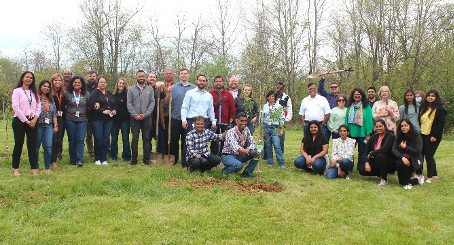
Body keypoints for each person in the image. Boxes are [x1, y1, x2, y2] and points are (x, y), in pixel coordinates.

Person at [11, 71, 41, 176]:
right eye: (27, 77)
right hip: (20, 121)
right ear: (22, 78)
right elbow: (15, 107)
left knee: (32, 145)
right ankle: (15, 168)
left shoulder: (34, 92)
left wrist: (35, 119)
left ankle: (33, 168)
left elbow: (38, 107)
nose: (29, 79)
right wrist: (26, 120)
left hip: (33, 121)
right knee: (19, 144)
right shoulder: (17, 91)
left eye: (31, 78)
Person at [165, 68, 196, 167]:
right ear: (179, 76)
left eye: (185, 73)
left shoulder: (193, 88)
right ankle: (174, 158)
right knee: (174, 139)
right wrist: (169, 92)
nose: (183, 75)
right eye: (181, 74)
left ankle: (185, 158)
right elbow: (166, 102)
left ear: (188, 75)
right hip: (176, 117)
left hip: (188, 118)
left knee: (186, 140)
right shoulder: (173, 87)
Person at [127, 70, 155, 165]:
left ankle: (146, 160)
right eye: (139, 76)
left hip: (146, 118)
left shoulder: (150, 89)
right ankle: (134, 159)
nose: (141, 78)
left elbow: (152, 103)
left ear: (145, 77)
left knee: (146, 139)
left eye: (143, 76)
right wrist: (135, 115)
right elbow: (129, 103)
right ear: (136, 77)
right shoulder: (131, 89)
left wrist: (146, 114)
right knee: (135, 139)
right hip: (134, 118)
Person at [87, 76, 116, 165]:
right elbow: (90, 104)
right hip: (97, 119)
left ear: (106, 83)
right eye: (101, 82)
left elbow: (114, 103)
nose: (102, 83)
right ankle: (97, 158)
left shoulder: (109, 93)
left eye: (104, 82)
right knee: (98, 138)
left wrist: (114, 110)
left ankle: (104, 158)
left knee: (105, 139)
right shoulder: (95, 92)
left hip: (108, 120)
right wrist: (102, 111)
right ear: (98, 83)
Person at [419, 89, 446, 183]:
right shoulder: (424, 108)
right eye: (429, 95)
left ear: (436, 98)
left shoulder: (440, 110)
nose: (430, 97)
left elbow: (440, 124)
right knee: (422, 154)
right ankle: (434, 174)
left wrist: (435, 135)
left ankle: (429, 177)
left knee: (429, 155)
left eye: (433, 96)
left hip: (433, 135)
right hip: (422, 134)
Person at [358, 119, 396, 186]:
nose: (378, 128)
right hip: (377, 161)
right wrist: (367, 162)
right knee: (362, 169)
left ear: (385, 126)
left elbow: (385, 149)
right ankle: (380, 174)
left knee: (379, 156)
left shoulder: (390, 136)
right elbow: (366, 151)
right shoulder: (374, 137)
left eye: (380, 126)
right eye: (376, 127)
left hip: (390, 162)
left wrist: (372, 153)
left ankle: (384, 179)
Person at [221, 113, 259, 178]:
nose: (244, 123)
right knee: (238, 165)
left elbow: (252, 142)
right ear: (236, 121)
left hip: (241, 154)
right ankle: (226, 171)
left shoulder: (246, 129)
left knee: (258, 152)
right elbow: (235, 147)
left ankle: (247, 173)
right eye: (241, 121)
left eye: (245, 121)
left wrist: (250, 149)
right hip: (228, 155)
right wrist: (248, 152)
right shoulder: (231, 132)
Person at [64, 76, 90, 167]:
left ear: (82, 84)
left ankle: (79, 160)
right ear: (72, 83)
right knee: (72, 140)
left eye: (79, 82)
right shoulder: (67, 94)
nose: (77, 84)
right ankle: (73, 159)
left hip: (82, 120)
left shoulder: (86, 94)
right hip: (70, 119)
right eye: (75, 82)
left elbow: (89, 105)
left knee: (80, 140)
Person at [345, 88, 374, 171]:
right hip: (351, 133)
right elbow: (346, 121)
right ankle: (349, 167)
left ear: (362, 96)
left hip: (362, 133)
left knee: (362, 152)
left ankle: (360, 168)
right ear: (352, 96)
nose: (357, 96)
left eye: (359, 94)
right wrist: (346, 132)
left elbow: (369, 121)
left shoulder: (367, 107)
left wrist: (368, 133)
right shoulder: (349, 108)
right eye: (355, 95)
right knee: (349, 151)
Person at [392, 119, 424, 189]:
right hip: (404, 160)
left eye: (406, 125)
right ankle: (416, 180)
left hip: (414, 161)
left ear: (410, 126)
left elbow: (418, 151)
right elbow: (393, 149)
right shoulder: (399, 137)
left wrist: (406, 147)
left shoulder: (417, 137)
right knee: (399, 164)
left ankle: (411, 181)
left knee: (405, 182)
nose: (404, 128)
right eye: (402, 126)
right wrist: (402, 157)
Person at [209, 75, 236, 156]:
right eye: (216, 81)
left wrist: (231, 121)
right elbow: (207, 106)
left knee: (224, 140)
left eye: (220, 81)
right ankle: (214, 157)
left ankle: (223, 156)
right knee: (214, 140)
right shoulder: (210, 93)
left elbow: (232, 108)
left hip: (225, 122)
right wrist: (215, 104)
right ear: (214, 83)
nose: (218, 83)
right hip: (213, 122)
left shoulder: (228, 94)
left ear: (223, 83)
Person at [35, 80, 58, 172]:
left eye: (48, 87)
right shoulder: (36, 98)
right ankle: (35, 166)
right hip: (38, 126)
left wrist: (55, 125)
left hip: (48, 126)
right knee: (36, 147)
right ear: (40, 87)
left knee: (48, 147)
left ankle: (47, 167)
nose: (46, 88)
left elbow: (54, 114)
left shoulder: (51, 99)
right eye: (44, 86)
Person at [262, 90, 285, 167]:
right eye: (270, 96)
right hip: (266, 127)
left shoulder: (278, 106)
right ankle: (270, 162)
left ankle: (281, 163)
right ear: (267, 97)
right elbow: (262, 119)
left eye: (273, 96)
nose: (271, 98)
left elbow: (281, 118)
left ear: (275, 97)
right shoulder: (265, 106)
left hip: (275, 127)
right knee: (268, 146)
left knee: (276, 145)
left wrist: (281, 129)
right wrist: (262, 130)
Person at [110, 78, 131, 162]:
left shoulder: (127, 95)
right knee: (114, 139)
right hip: (115, 121)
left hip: (125, 120)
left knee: (125, 139)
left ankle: (126, 156)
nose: (121, 85)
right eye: (120, 83)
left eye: (123, 83)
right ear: (117, 84)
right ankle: (113, 156)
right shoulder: (113, 95)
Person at [148, 72, 166, 154]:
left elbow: (163, 95)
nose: (152, 78)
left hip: (158, 116)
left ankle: (161, 153)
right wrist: (155, 85)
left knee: (160, 137)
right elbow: (148, 88)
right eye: (150, 77)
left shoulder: (158, 88)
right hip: (148, 116)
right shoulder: (144, 87)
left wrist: (162, 87)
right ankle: (148, 153)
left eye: (154, 77)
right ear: (147, 78)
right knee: (148, 137)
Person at [50, 73, 65, 167]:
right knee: (51, 140)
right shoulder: (49, 93)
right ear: (52, 81)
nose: (58, 82)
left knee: (58, 140)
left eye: (59, 80)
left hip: (60, 118)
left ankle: (53, 161)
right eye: (56, 80)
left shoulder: (63, 93)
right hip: (50, 119)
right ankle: (48, 159)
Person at [275, 82, 293, 153]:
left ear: (283, 89)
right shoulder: (272, 96)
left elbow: (289, 111)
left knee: (281, 140)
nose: (279, 90)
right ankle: (266, 156)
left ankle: (280, 154)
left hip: (281, 122)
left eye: (280, 88)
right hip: (271, 122)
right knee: (268, 140)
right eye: (277, 88)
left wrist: (286, 120)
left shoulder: (286, 98)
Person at [85, 70, 97, 157]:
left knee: (99, 134)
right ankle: (91, 151)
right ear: (87, 77)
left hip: (98, 114)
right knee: (88, 135)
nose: (92, 77)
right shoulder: (84, 88)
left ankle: (104, 150)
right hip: (87, 114)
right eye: (90, 76)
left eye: (93, 76)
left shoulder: (99, 86)